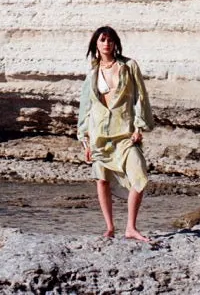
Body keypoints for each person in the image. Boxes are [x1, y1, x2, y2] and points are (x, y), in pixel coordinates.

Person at [77, 26, 153, 240]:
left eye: (110, 40)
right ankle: (110, 227)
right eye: (102, 40)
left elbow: (141, 97)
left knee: (139, 174)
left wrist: (139, 127)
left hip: (125, 132)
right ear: (96, 44)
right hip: (99, 134)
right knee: (101, 179)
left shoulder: (129, 66)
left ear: (115, 43)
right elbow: (85, 107)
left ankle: (131, 227)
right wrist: (85, 141)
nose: (106, 44)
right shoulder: (92, 72)